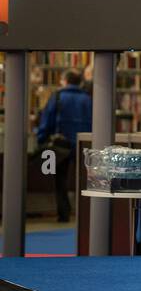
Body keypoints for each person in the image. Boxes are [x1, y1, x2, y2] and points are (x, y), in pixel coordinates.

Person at [36, 69, 93, 222]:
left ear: (65, 81)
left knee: (60, 179)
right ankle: (86, 214)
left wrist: (41, 138)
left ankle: (64, 213)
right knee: (84, 179)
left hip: (61, 144)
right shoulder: (88, 99)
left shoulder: (58, 96)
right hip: (84, 144)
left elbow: (48, 119)